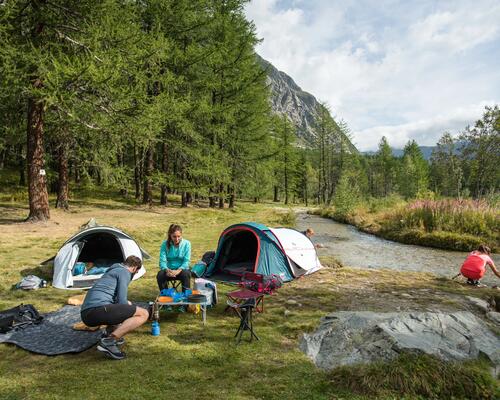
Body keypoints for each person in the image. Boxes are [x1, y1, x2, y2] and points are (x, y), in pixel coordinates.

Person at [80, 255, 149, 360]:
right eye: (136, 272)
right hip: (97, 310)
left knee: (122, 307)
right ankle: (109, 341)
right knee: (143, 314)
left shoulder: (113, 270)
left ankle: (109, 332)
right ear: (134, 268)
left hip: (87, 313)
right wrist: (131, 307)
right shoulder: (124, 272)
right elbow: (122, 301)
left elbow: (116, 301)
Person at [157, 224, 192, 292]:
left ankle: (185, 298)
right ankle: (165, 296)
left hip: (182, 270)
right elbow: (162, 261)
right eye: (174, 237)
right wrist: (167, 270)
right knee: (160, 275)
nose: (177, 239)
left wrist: (178, 270)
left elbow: (186, 261)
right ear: (170, 235)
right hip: (169, 271)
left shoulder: (187, 244)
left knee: (186, 274)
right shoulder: (165, 244)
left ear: (181, 235)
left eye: (179, 236)